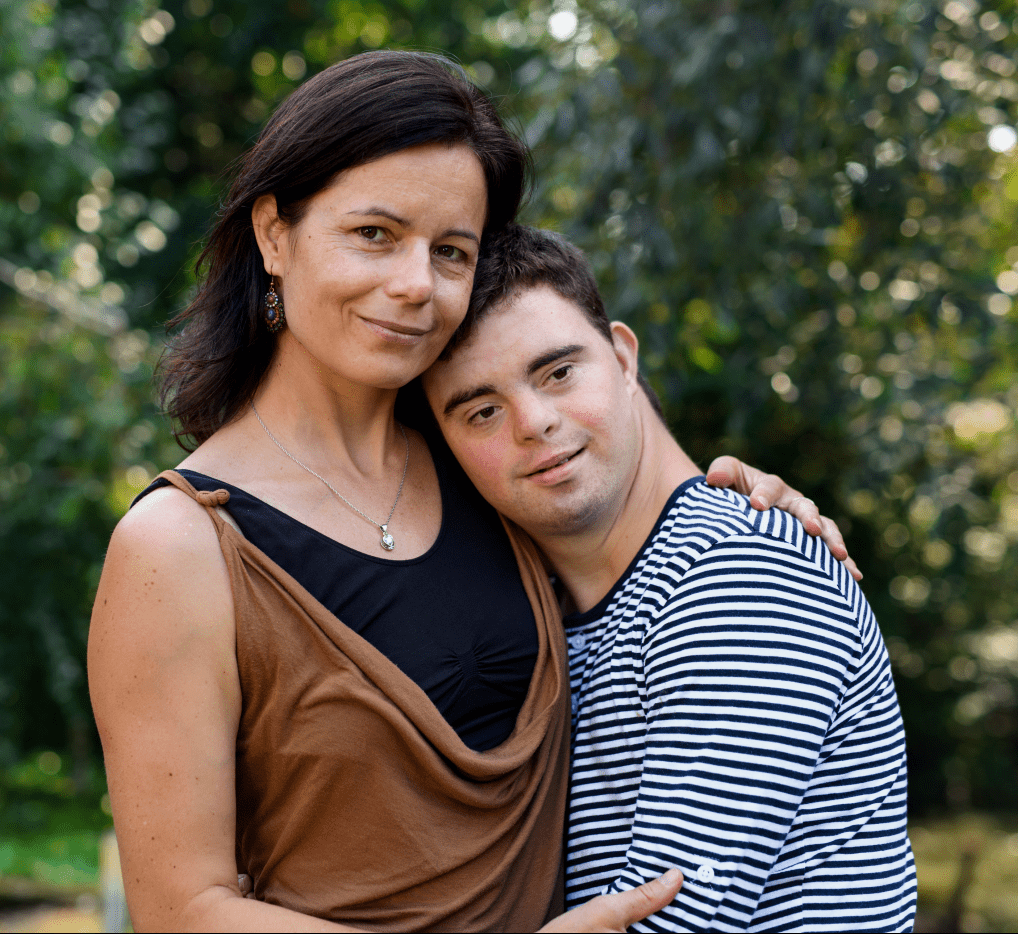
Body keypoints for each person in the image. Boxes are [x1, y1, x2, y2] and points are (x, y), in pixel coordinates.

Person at [88, 51, 846, 932]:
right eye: (374, 234)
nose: (416, 285)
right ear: (273, 235)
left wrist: (742, 508)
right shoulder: (178, 548)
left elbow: (652, 557)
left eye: (451, 251)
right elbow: (181, 910)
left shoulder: (492, 467)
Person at [422, 224, 918, 933]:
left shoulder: (739, 576)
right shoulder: (541, 609)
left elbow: (662, 920)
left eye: (558, 372)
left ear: (623, 357)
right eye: (482, 410)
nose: (533, 422)